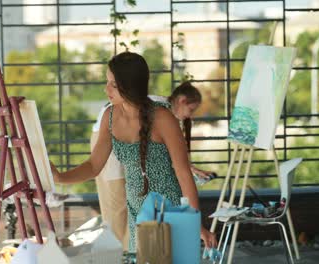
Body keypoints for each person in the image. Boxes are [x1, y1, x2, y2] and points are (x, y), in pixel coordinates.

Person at [50, 51, 217, 252]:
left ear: (129, 86)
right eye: (107, 81)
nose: (106, 89)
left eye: (113, 84)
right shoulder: (109, 117)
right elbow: (94, 166)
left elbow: (183, 174)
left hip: (169, 210)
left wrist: (195, 222)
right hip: (137, 211)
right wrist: (60, 177)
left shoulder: (163, 118)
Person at [90, 81, 215, 250]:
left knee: (137, 208)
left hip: (129, 145)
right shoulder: (160, 110)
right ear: (182, 100)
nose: (189, 116)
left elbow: (168, 158)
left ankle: (134, 253)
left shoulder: (165, 115)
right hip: (109, 137)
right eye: (191, 110)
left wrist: (189, 167)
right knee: (117, 209)